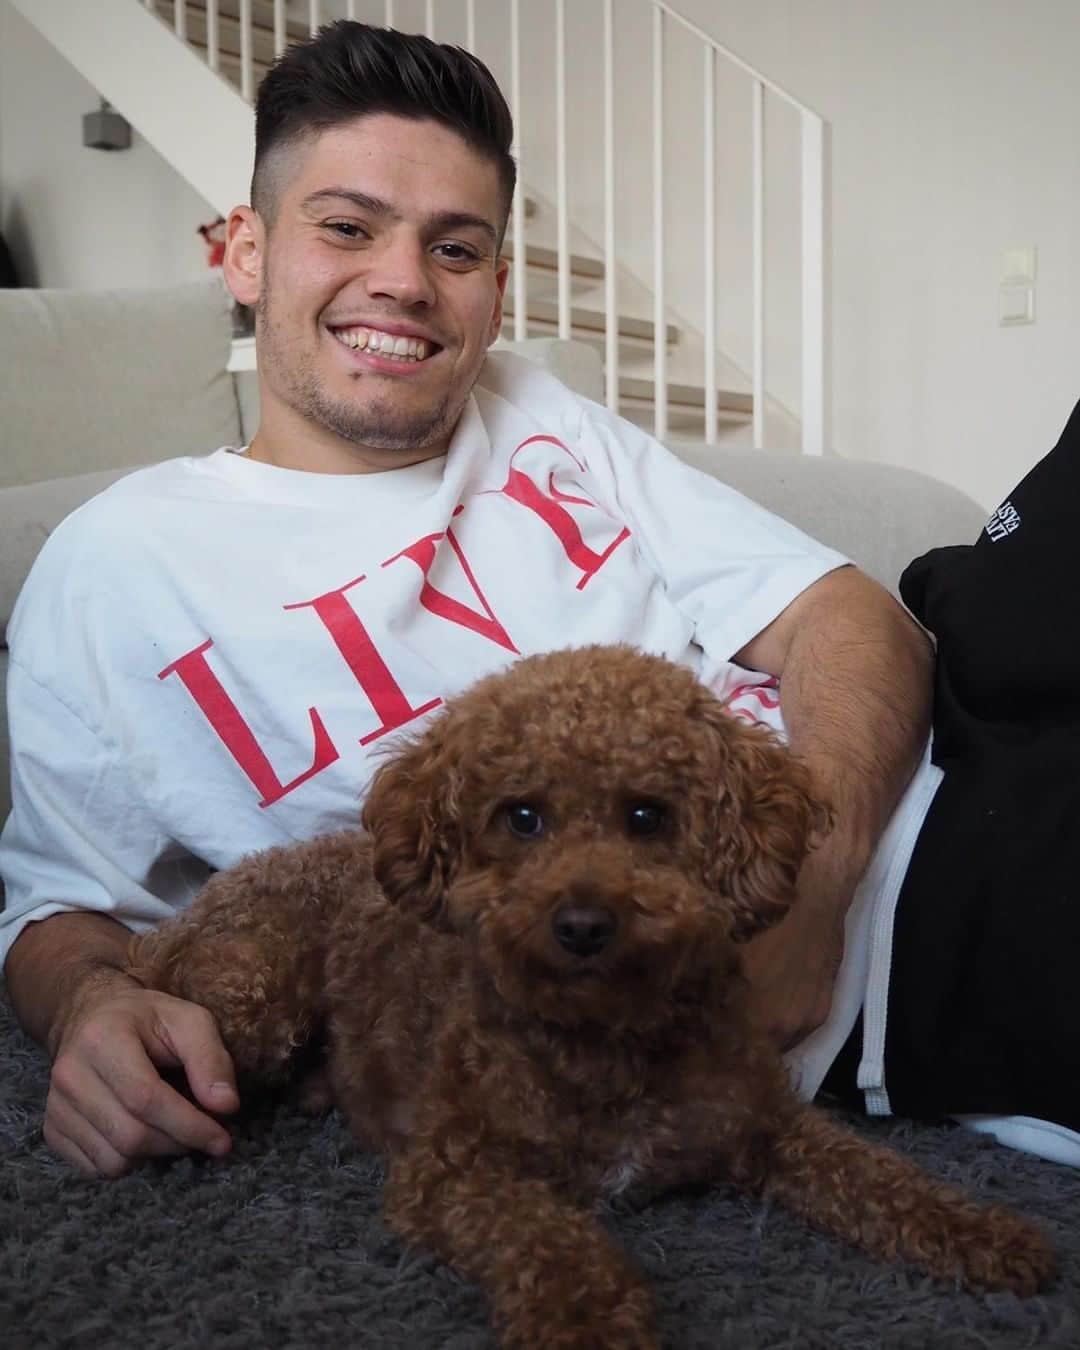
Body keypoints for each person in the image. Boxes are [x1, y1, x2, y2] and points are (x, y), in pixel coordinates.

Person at [0, 21, 934, 1179]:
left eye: (455, 249)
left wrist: (816, 892)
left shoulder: (534, 409)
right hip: (696, 1030)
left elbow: (855, 620)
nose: (402, 279)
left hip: (907, 832)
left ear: (495, 288)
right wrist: (88, 1007)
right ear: (246, 252)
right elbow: (53, 911)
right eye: (347, 227)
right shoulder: (113, 566)